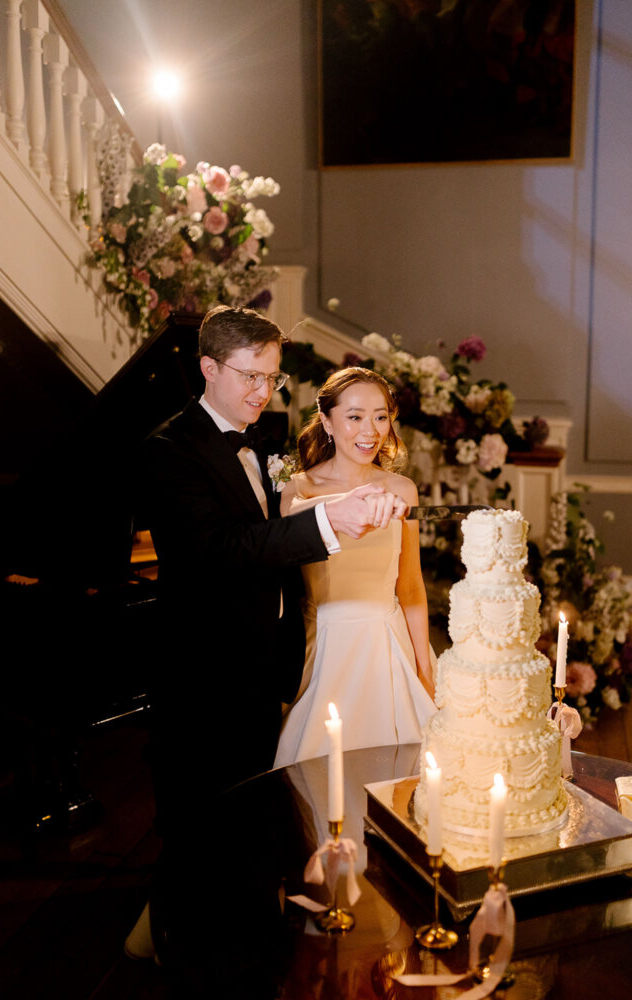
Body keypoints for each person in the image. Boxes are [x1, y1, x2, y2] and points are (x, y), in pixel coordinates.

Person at [129, 309, 409, 990]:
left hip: (265, 661)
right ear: (209, 369)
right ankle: (184, 950)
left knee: (253, 810)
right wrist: (328, 522)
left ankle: (253, 935)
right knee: (199, 816)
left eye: (272, 378)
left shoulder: (264, 442)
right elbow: (221, 550)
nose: (262, 392)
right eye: (250, 376)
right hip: (205, 668)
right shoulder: (168, 448)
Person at [274, 367, 437, 768]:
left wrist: (424, 669)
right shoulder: (297, 489)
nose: (371, 430)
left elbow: (411, 588)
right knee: (319, 772)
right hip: (324, 648)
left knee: (408, 774)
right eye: (355, 416)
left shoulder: (402, 490)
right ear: (326, 422)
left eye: (381, 416)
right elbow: (288, 530)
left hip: (389, 645)